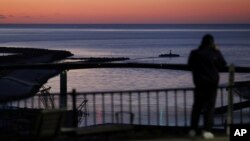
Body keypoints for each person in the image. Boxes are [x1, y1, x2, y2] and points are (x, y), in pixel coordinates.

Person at [188, 34, 227, 139]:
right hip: (212, 84)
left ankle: (193, 130)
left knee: (197, 107)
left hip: (199, 84)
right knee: (209, 108)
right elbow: (223, 64)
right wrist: (216, 50)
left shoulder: (195, 53)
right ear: (211, 43)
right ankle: (207, 130)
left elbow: (190, 65)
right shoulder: (215, 53)